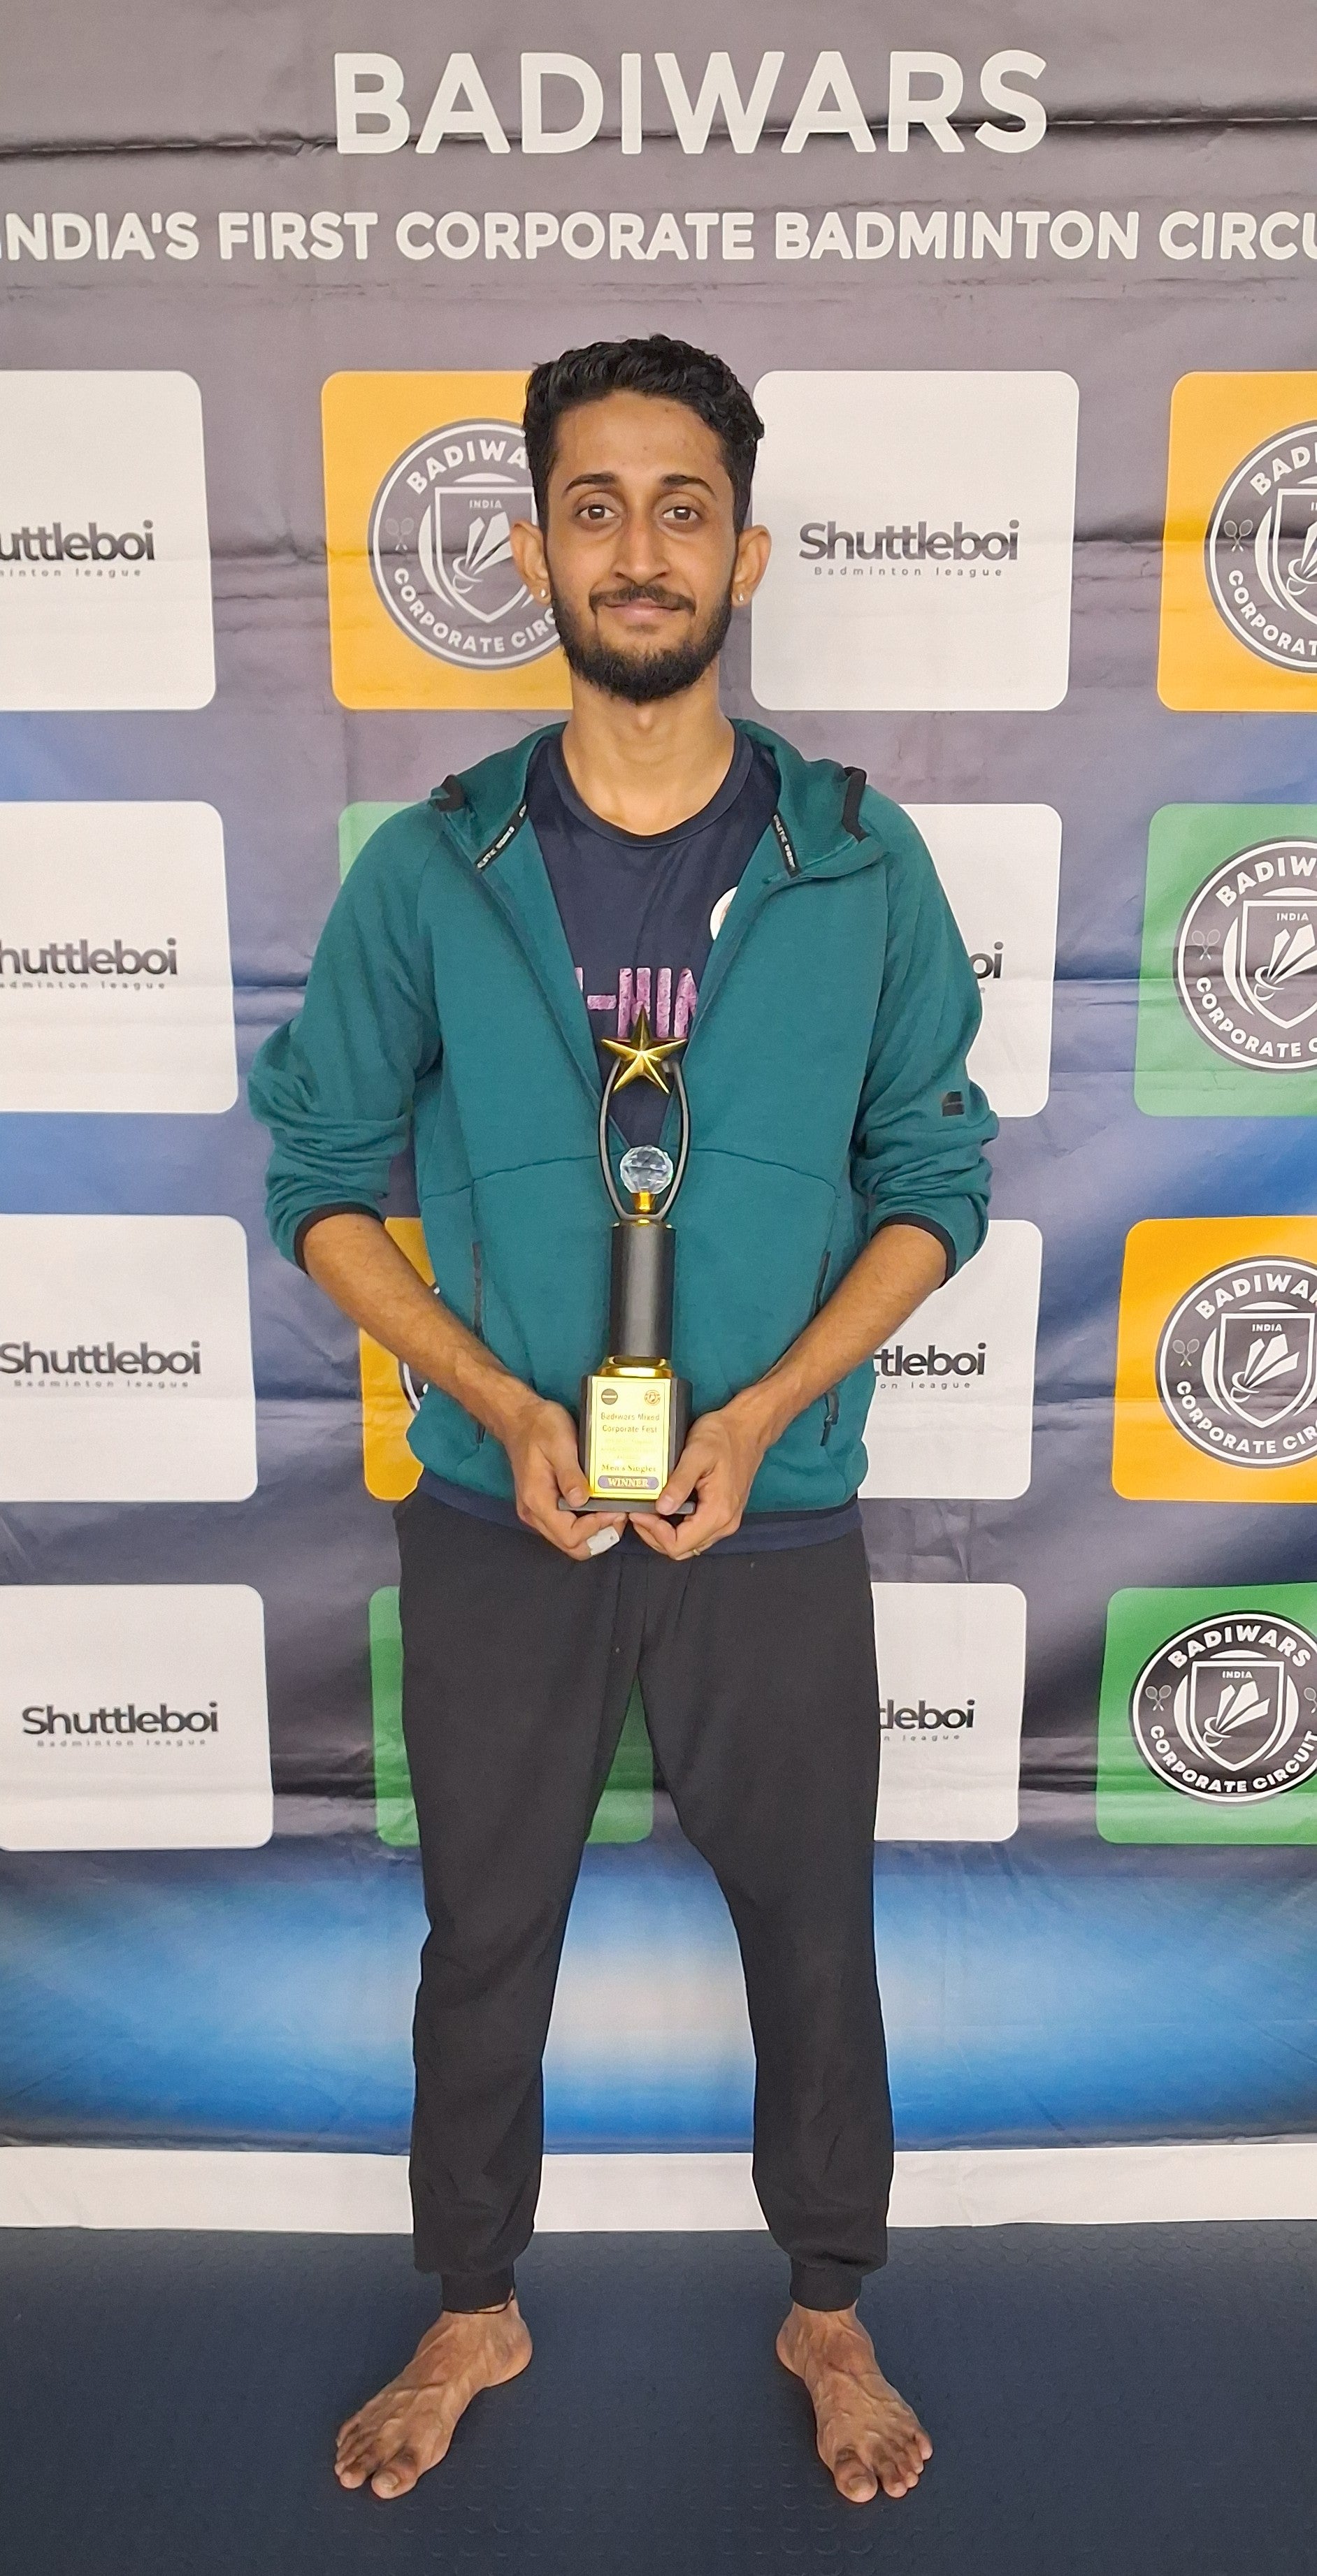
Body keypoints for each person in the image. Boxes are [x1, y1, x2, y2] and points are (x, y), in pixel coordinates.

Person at [250, 334, 995, 2508]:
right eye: (594, 506)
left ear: (742, 554)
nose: (638, 548)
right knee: (482, 1933)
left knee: (812, 1936)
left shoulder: (856, 862)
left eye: (682, 508)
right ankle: (471, 2302)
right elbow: (320, 1179)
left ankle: (827, 2307)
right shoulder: (433, 864)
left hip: (774, 1508)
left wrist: (768, 1413)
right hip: (504, 1513)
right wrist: (490, 1396)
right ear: (532, 551)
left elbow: (933, 1179)